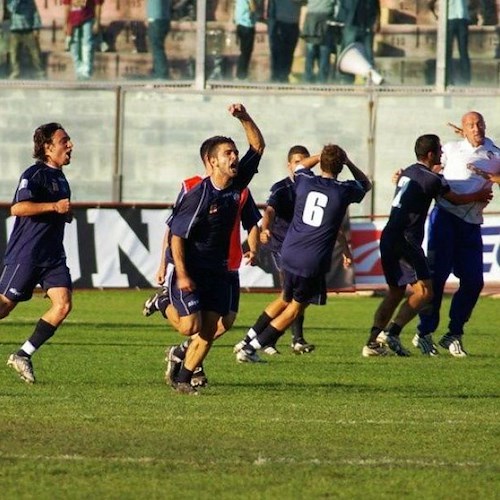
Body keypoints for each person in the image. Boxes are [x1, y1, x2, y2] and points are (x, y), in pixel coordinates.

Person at [234, 144, 371, 363]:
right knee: (297, 307)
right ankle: (252, 347)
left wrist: (322, 156)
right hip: (312, 259)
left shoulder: (306, 181)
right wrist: (347, 161)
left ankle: (247, 339)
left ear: (322, 162)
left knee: (284, 299)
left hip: (289, 251)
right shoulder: (344, 190)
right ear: (340, 166)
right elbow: (366, 184)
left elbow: (300, 167)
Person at [164, 103, 265, 394]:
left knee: (211, 330)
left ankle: (182, 380)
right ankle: (162, 302)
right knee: (189, 328)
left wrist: (244, 117)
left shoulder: (237, 184)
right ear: (212, 162)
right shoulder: (198, 196)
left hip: (219, 270)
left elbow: (257, 146)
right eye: (227, 154)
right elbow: (176, 237)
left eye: (234, 152)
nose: (234, 157)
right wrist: (181, 274)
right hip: (192, 269)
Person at [363, 134, 492, 358]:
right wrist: (479, 193)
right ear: (431, 154)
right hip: (406, 240)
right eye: (439, 150)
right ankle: (392, 333)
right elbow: (456, 199)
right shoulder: (432, 180)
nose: (442, 153)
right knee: (425, 292)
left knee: (395, 292)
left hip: (389, 236)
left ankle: (372, 343)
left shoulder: (408, 172)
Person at [415, 111, 500, 357]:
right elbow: (431, 170)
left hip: (471, 223)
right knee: (436, 279)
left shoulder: (494, 153)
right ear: (464, 128)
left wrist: (492, 177)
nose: (476, 128)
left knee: (474, 281)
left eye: (480, 123)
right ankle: (424, 332)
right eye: (471, 125)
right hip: (445, 218)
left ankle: (454, 333)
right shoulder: (451, 149)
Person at [1, 123, 74, 384]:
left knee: (63, 304)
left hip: (53, 255)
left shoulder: (62, 178)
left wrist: (64, 214)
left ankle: (23, 354)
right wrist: (54, 206)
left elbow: (55, 212)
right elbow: (18, 208)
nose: (70, 145)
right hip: (27, 253)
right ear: (47, 147)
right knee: (4, 307)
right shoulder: (34, 174)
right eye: (64, 140)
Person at [242, 145, 316, 356]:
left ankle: (264, 339)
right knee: (290, 296)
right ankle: (280, 340)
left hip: (304, 250)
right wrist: (265, 229)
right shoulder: (282, 188)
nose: (300, 165)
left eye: (305, 161)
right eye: (296, 162)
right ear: (289, 165)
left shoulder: (313, 187)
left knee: (294, 297)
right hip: (283, 246)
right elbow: (270, 211)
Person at [429, 0, 485, 86]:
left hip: (462, 19)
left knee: (463, 51)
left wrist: (478, 15)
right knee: (448, 51)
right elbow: (431, 3)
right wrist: (437, 15)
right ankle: (447, 79)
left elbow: (476, 2)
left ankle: (465, 80)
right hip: (448, 19)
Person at [337, 0, 380, 84]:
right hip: (351, 25)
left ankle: (370, 82)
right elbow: (343, 5)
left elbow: (376, 5)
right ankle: (347, 82)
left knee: (368, 55)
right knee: (348, 54)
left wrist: (377, 21)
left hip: (367, 25)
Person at [63, 0, 103, 81]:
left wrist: (97, 22)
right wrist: (65, 23)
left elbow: (98, 5)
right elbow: (66, 6)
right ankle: (78, 70)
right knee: (74, 43)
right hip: (73, 19)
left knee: (87, 43)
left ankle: (86, 71)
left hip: (88, 18)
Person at [266, 0, 305, 83]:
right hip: (282, 22)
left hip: (286, 22)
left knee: (284, 52)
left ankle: (280, 76)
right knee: (283, 52)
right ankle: (279, 76)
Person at [6, 0, 45, 79]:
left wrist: (36, 28)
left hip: (28, 29)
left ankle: (40, 72)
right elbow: (11, 8)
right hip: (15, 30)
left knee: (35, 53)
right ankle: (15, 72)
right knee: (14, 53)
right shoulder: (10, 1)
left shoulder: (30, 1)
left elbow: (35, 13)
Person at [301, 0, 335, 83]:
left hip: (313, 16)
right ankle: (321, 80)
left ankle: (308, 79)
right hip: (325, 16)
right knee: (324, 51)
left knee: (311, 51)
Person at [147, 0, 172, 79]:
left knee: (157, 47)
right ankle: (157, 71)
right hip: (163, 19)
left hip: (156, 19)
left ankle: (161, 74)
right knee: (157, 47)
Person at [234, 0, 259, 80]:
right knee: (246, 52)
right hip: (247, 24)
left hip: (240, 23)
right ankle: (241, 76)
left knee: (244, 51)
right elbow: (253, 7)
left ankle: (241, 75)